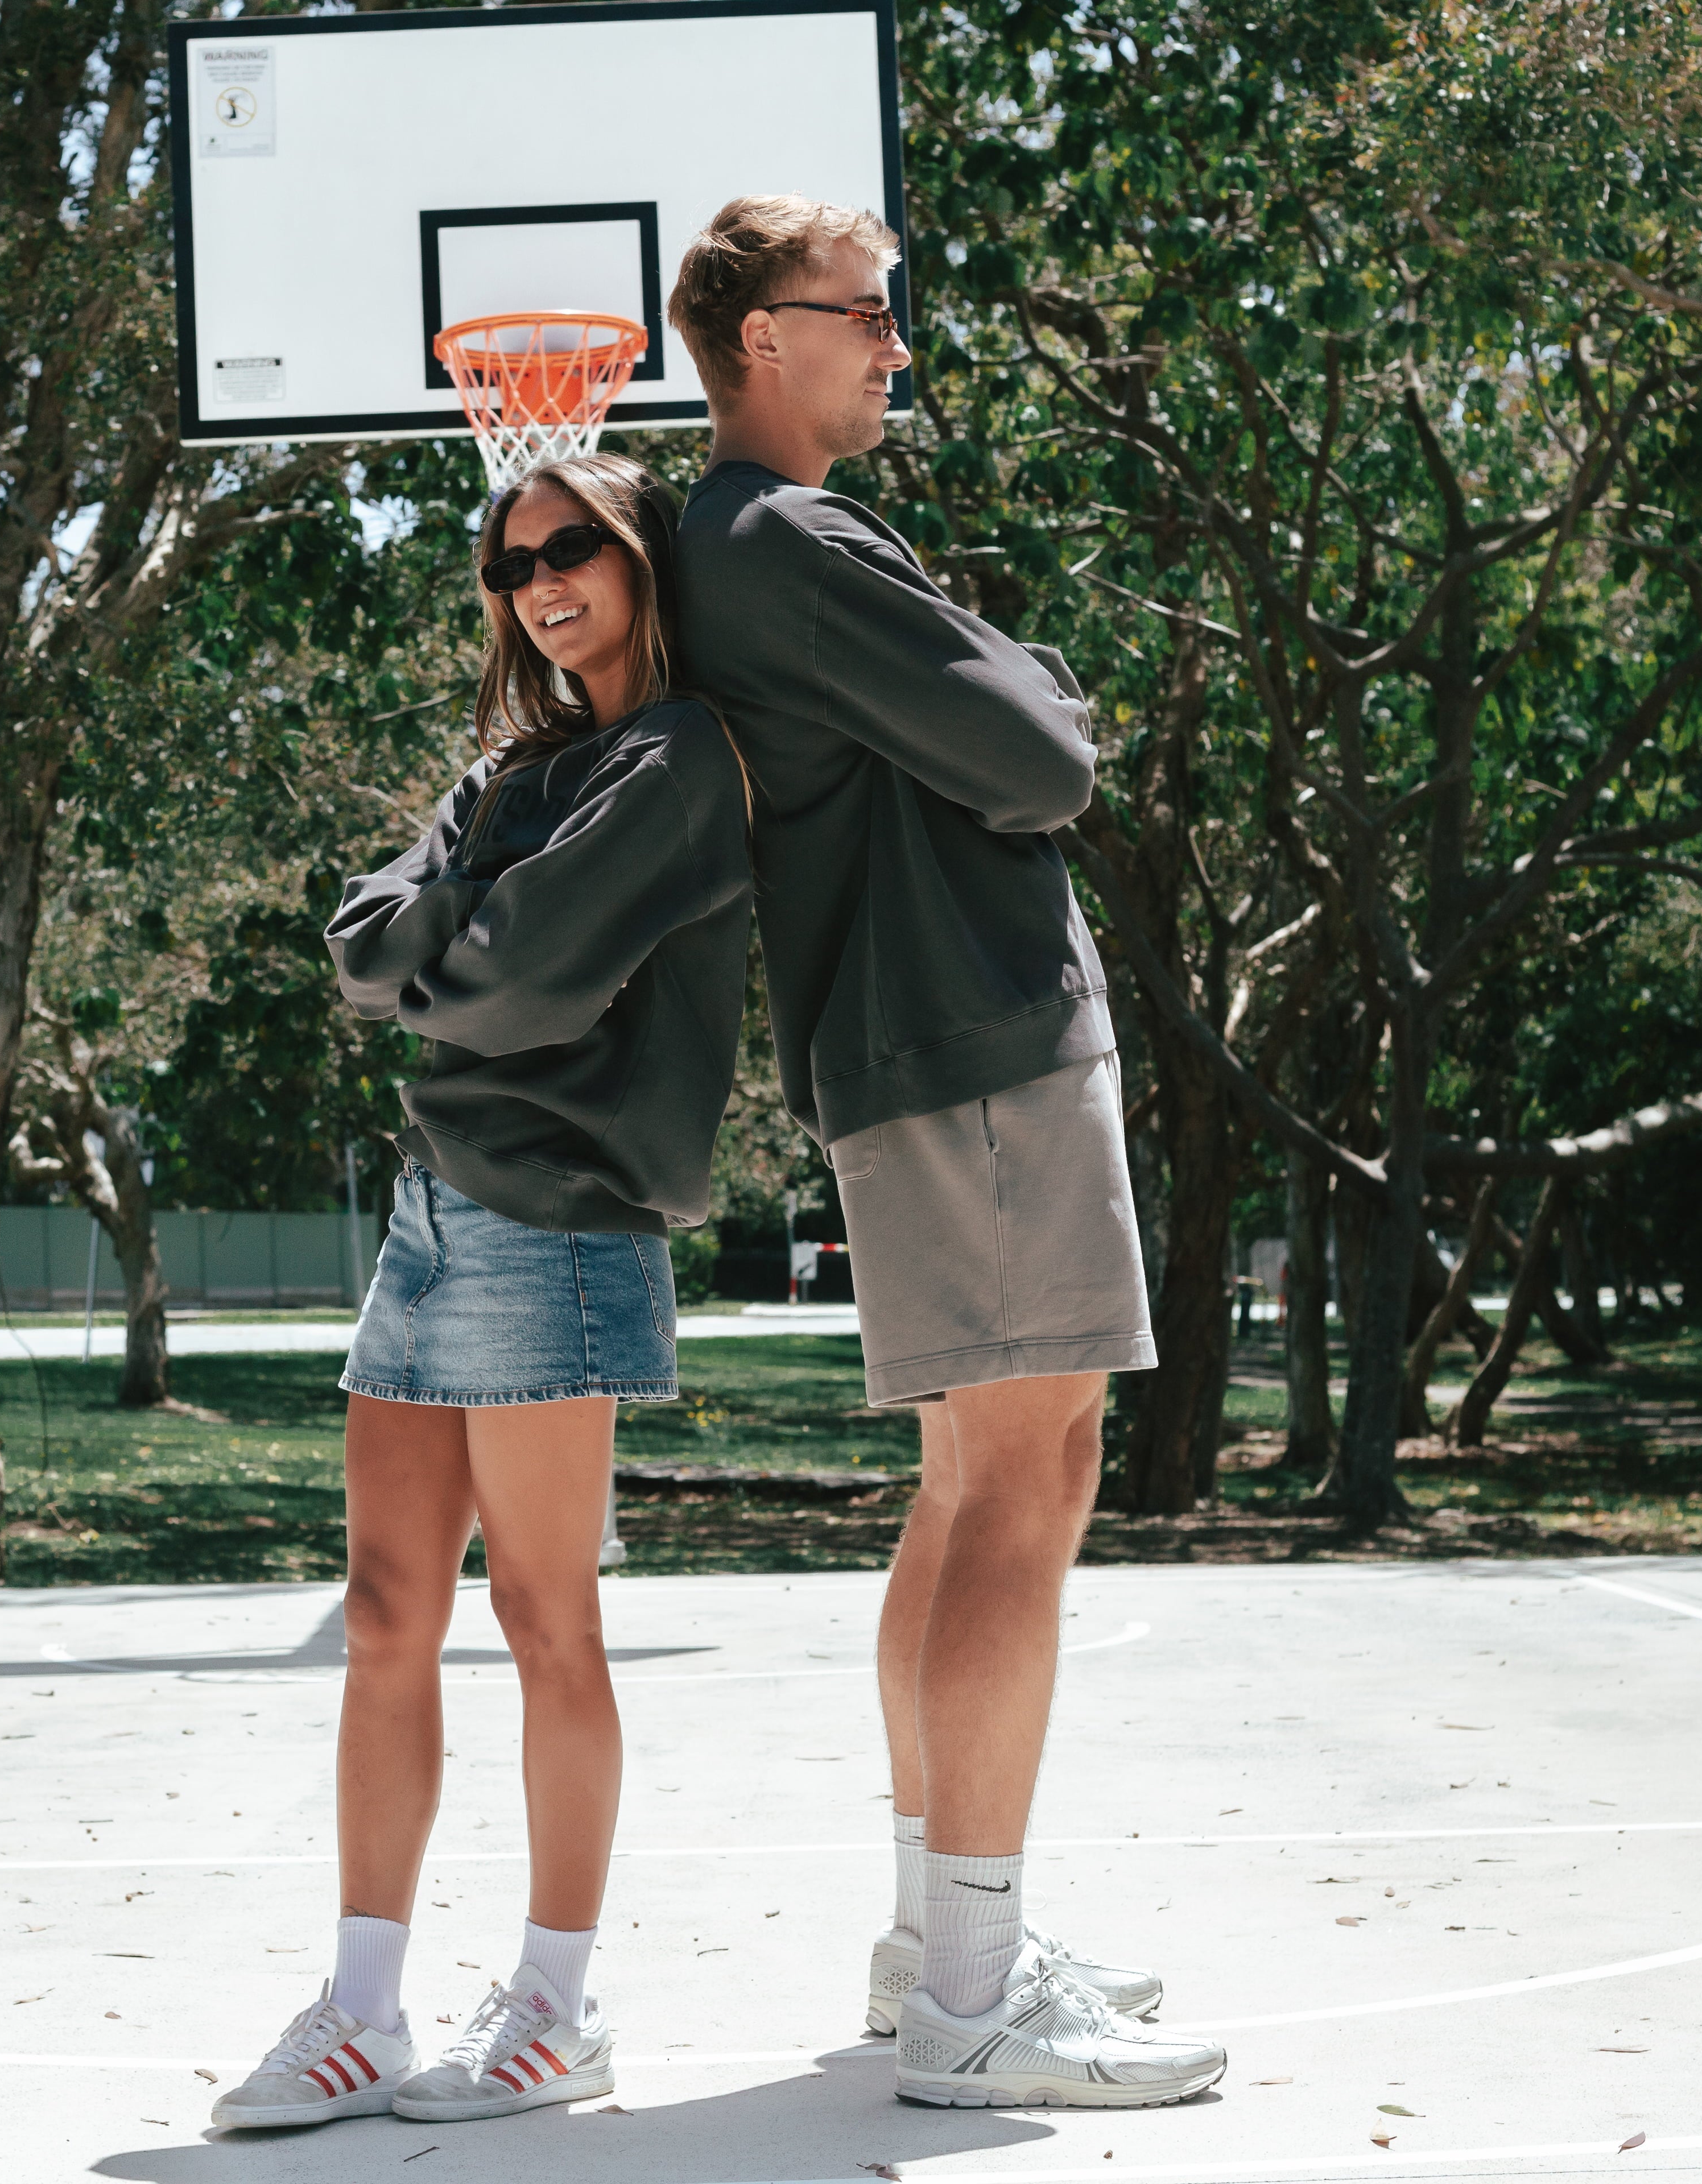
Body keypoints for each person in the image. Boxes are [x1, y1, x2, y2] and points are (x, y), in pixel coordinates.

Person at [665, 195, 1229, 2111]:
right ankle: (975, 1998)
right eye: (868, 315)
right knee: (1023, 1490)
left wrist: (1002, 692)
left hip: (910, 1046)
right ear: (761, 338)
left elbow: (993, 732)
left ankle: (940, 1938)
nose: (898, 344)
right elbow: (1046, 756)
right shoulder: (789, 538)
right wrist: (1033, 684)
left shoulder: (746, 546)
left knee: (973, 1482)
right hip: (968, 1043)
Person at [208, 452, 752, 2132]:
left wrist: (452, 938)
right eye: (516, 562)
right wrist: (459, 921)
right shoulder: (515, 767)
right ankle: (363, 2013)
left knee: (543, 1623)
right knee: (384, 1615)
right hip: (434, 1220)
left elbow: (515, 987)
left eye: (577, 546)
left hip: (560, 1224)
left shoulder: (676, 761)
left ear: (640, 557)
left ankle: (555, 2007)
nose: (545, 582)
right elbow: (366, 947)